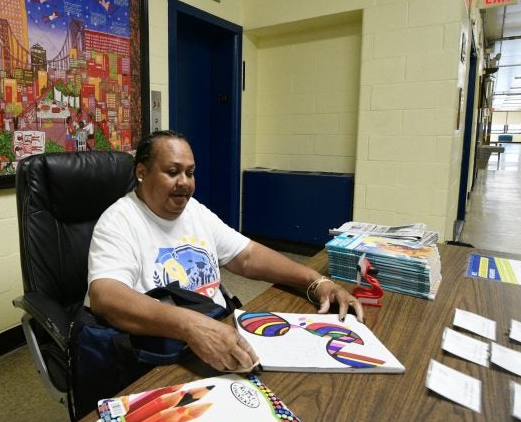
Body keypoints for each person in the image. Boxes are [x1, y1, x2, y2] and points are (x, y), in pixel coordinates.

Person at [86, 130, 364, 373]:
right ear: (142, 172)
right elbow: (105, 297)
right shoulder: (119, 221)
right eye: (173, 172)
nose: (185, 182)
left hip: (221, 331)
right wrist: (190, 326)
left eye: (190, 172)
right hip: (166, 351)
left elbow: (247, 256)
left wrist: (316, 281)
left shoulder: (194, 210)